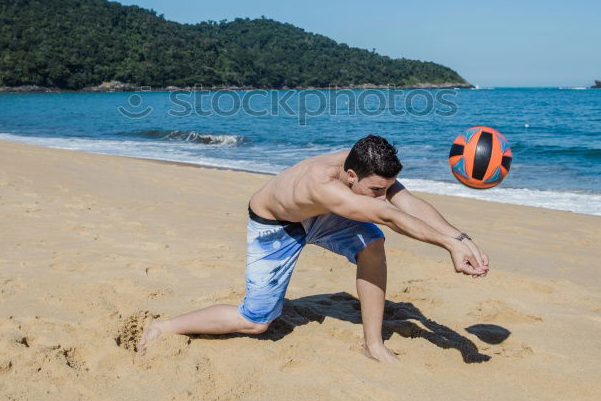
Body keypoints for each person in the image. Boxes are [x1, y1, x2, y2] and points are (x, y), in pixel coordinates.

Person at [138, 135, 489, 362]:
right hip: (275, 227)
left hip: (321, 216)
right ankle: (165, 326)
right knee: (256, 322)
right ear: (351, 177)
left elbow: (407, 202)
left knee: (373, 246)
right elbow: (389, 215)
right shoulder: (323, 185)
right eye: (376, 189)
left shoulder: (366, 166)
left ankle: (373, 345)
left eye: (386, 187)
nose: (384, 193)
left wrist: (459, 238)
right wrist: (445, 244)